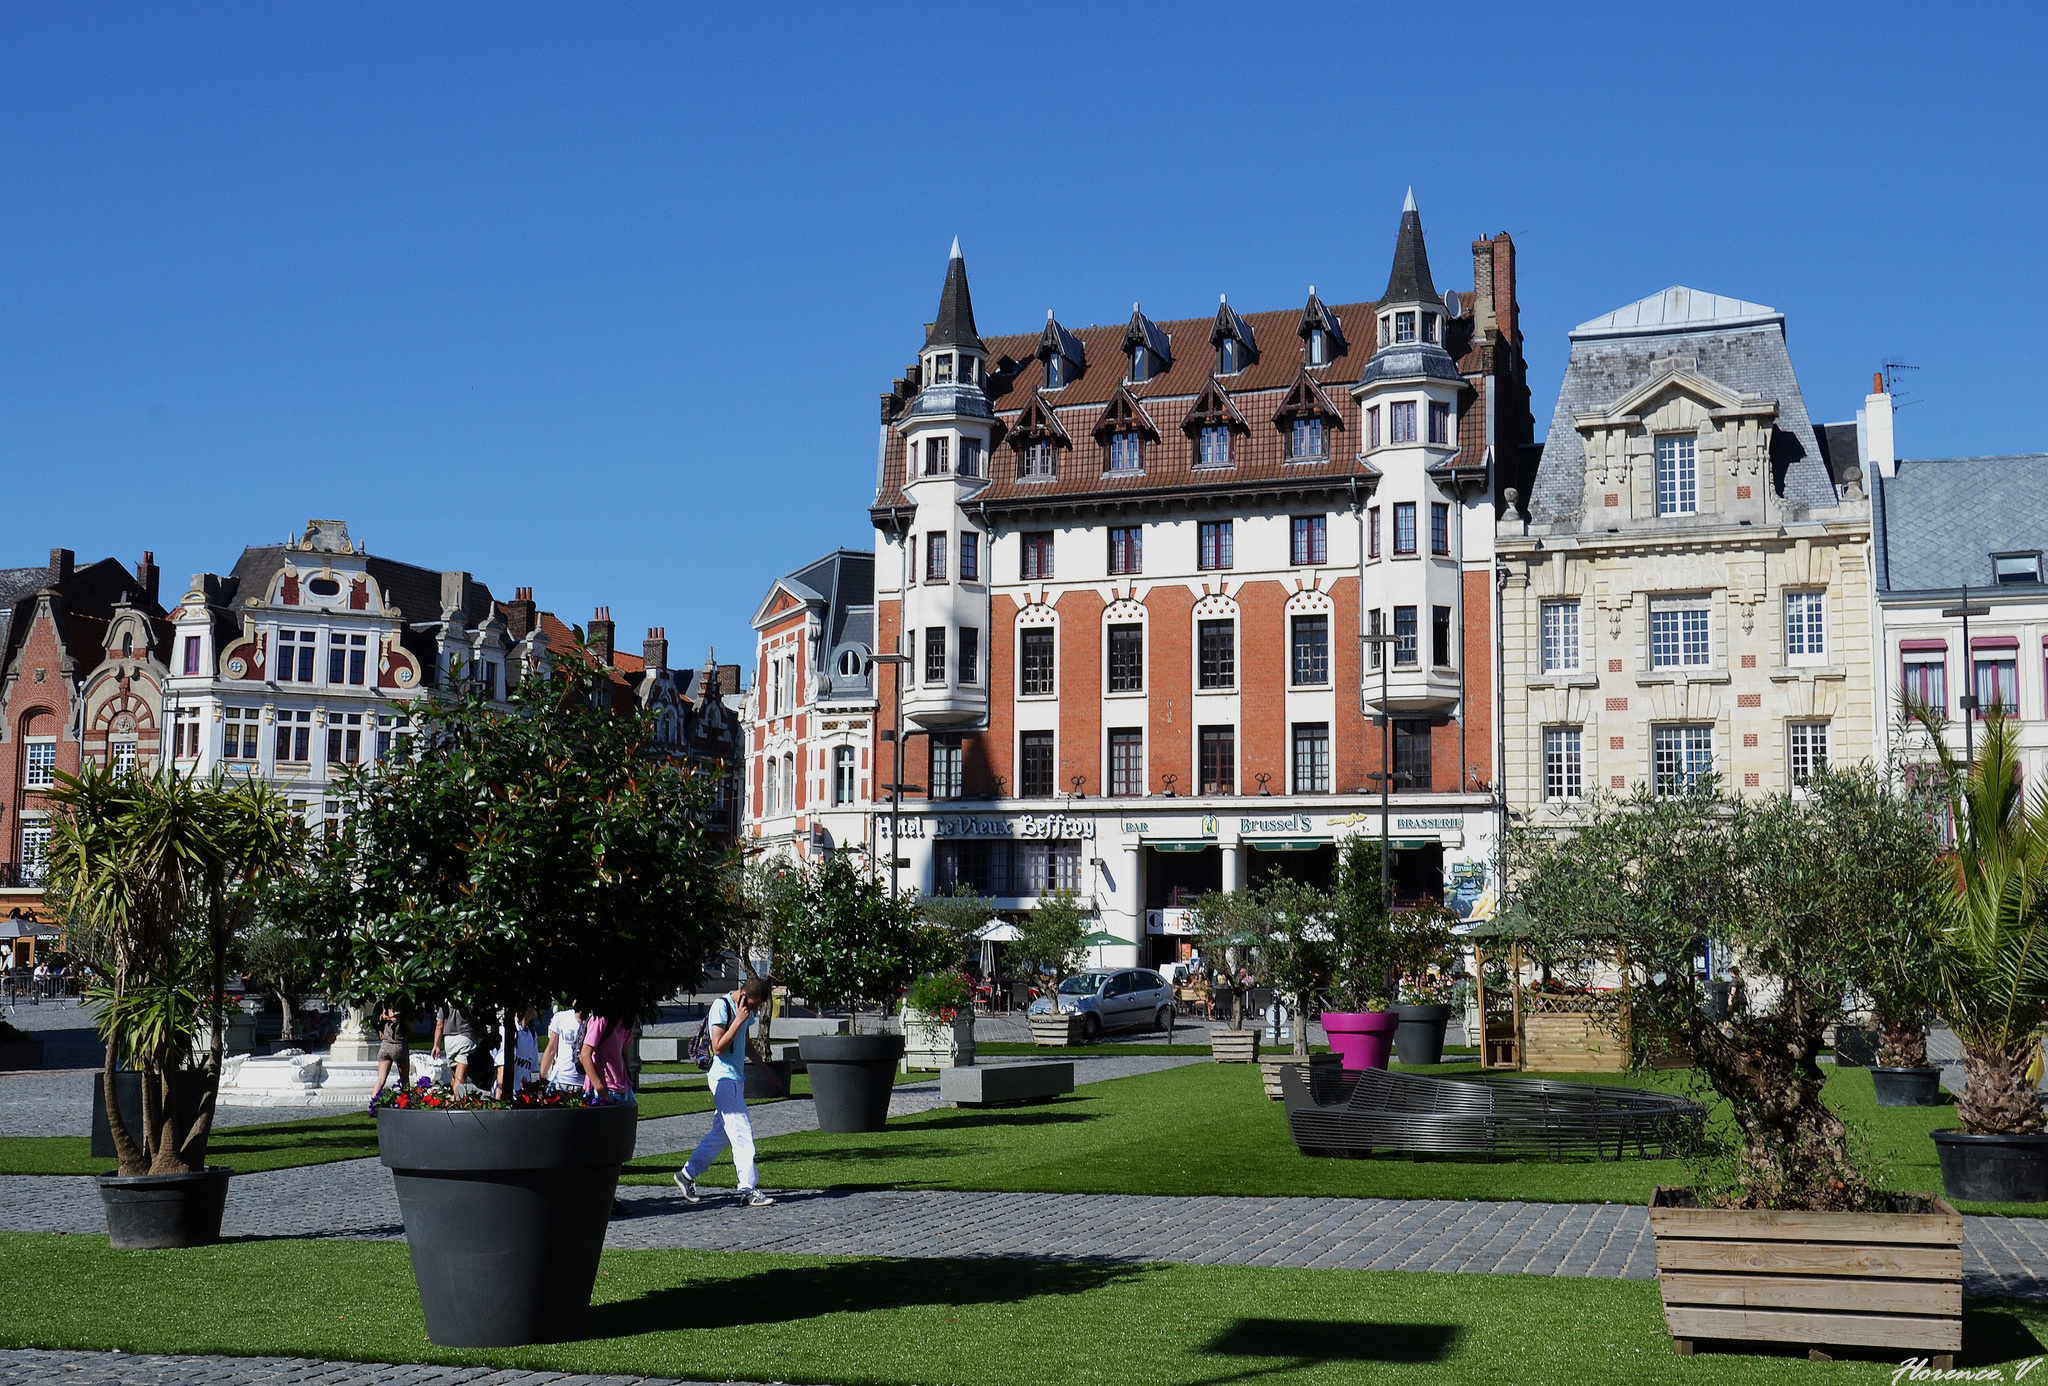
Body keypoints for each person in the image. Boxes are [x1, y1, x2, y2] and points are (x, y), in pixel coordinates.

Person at [674, 976, 775, 1208]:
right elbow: (718, 1048)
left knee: (722, 1134)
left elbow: (745, 1043)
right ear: (743, 995)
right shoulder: (722, 1006)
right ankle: (748, 1189)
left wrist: (766, 1071)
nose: (753, 1010)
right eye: (752, 1004)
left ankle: (686, 1174)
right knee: (741, 1132)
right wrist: (738, 1020)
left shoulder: (745, 1012)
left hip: (736, 1078)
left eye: (756, 1006)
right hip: (722, 1078)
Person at [579, 1007, 634, 1101]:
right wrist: (598, 1085)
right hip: (604, 1089)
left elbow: (624, 1052)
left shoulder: (626, 1022)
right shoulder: (600, 1020)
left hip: (624, 1088)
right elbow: (584, 1055)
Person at [493, 1005, 541, 1098]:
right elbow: (501, 1068)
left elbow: (528, 1069)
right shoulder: (507, 1031)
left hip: (521, 1096)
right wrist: (499, 1097)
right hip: (507, 1095)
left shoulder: (532, 1033)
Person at [539, 1001, 586, 1094]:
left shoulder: (593, 1021)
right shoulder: (561, 1017)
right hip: (560, 1079)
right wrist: (541, 1079)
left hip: (583, 1082)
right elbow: (551, 1049)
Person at [431, 1002, 476, 1090]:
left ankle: (456, 1097)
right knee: (460, 1078)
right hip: (466, 1038)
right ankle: (456, 1099)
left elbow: (439, 1024)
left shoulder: (445, 1001)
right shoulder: (470, 999)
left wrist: (436, 1045)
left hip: (449, 1040)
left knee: (456, 1076)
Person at [374, 999, 410, 1091]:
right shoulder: (401, 1015)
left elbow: (381, 1034)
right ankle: (406, 1101)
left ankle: (373, 1102)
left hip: (385, 1046)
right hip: (399, 1046)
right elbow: (410, 1030)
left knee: (381, 1080)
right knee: (405, 1080)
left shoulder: (384, 1014)